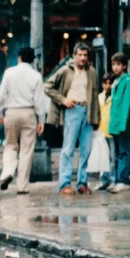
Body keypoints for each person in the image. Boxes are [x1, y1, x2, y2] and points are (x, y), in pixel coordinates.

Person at [45, 42, 100, 197]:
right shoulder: (66, 71)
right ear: (75, 56)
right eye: (80, 55)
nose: (82, 58)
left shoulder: (92, 72)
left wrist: (96, 118)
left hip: (88, 111)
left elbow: (95, 95)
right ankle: (65, 183)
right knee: (68, 149)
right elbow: (47, 86)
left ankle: (82, 183)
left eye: (85, 55)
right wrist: (63, 100)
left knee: (86, 149)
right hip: (72, 110)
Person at [0, 46, 45, 194]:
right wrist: (41, 119)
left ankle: (8, 172)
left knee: (10, 145)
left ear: (20, 57)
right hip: (29, 113)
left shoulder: (9, 73)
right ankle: (22, 186)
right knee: (26, 150)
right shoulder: (36, 76)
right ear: (32, 60)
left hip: (11, 112)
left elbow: (1, 95)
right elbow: (39, 101)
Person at [106, 51, 130, 193]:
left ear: (124, 66)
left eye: (118, 64)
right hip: (115, 123)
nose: (115, 67)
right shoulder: (116, 82)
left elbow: (128, 104)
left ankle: (124, 180)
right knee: (118, 152)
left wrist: (124, 123)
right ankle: (118, 179)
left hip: (122, 123)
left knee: (124, 151)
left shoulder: (129, 82)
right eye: (114, 64)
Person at [90, 73, 115, 190]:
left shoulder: (115, 97)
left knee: (113, 157)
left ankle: (113, 179)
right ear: (102, 84)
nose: (108, 86)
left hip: (112, 131)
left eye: (110, 83)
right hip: (102, 130)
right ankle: (104, 180)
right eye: (105, 83)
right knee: (103, 157)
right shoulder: (99, 97)